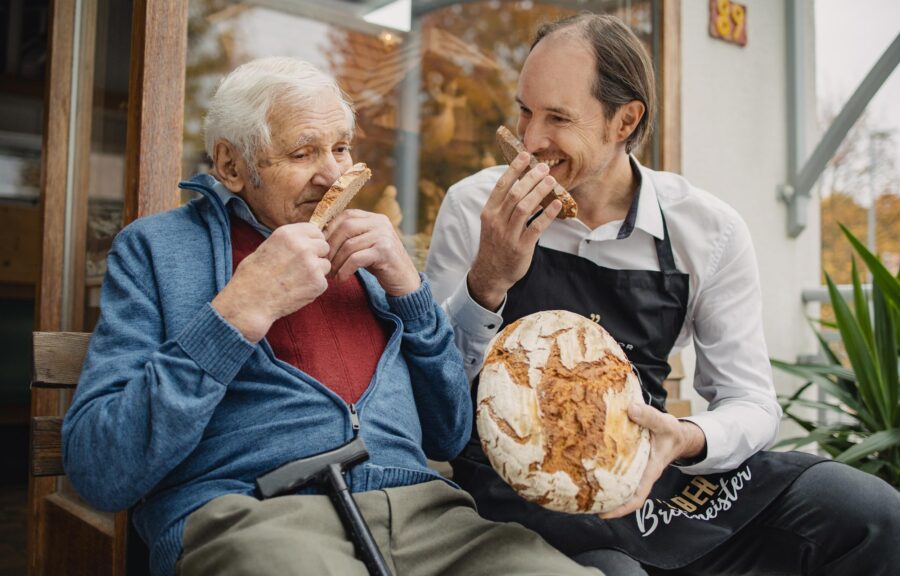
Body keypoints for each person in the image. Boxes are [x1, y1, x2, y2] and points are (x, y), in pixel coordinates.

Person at [61, 57, 602, 576]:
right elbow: (101, 470)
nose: (333, 175)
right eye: (303, 153)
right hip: (257, 515)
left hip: (425, 517)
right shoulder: (157, 250)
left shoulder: (367, 261)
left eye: (341, 148)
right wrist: (237, 312)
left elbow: (449, 434)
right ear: (231, 165)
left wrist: (411, 296)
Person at [426, 13, 900, 576]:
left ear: (625, 120)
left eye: (557, 118)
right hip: (519, 485)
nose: (530, 140)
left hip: (652, 469)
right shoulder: (475, 206)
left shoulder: (708, 230)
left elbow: (751, 401)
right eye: (524, 110)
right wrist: (488, 281)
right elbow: (435, 396)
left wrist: (687, 438)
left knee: (874, 514)